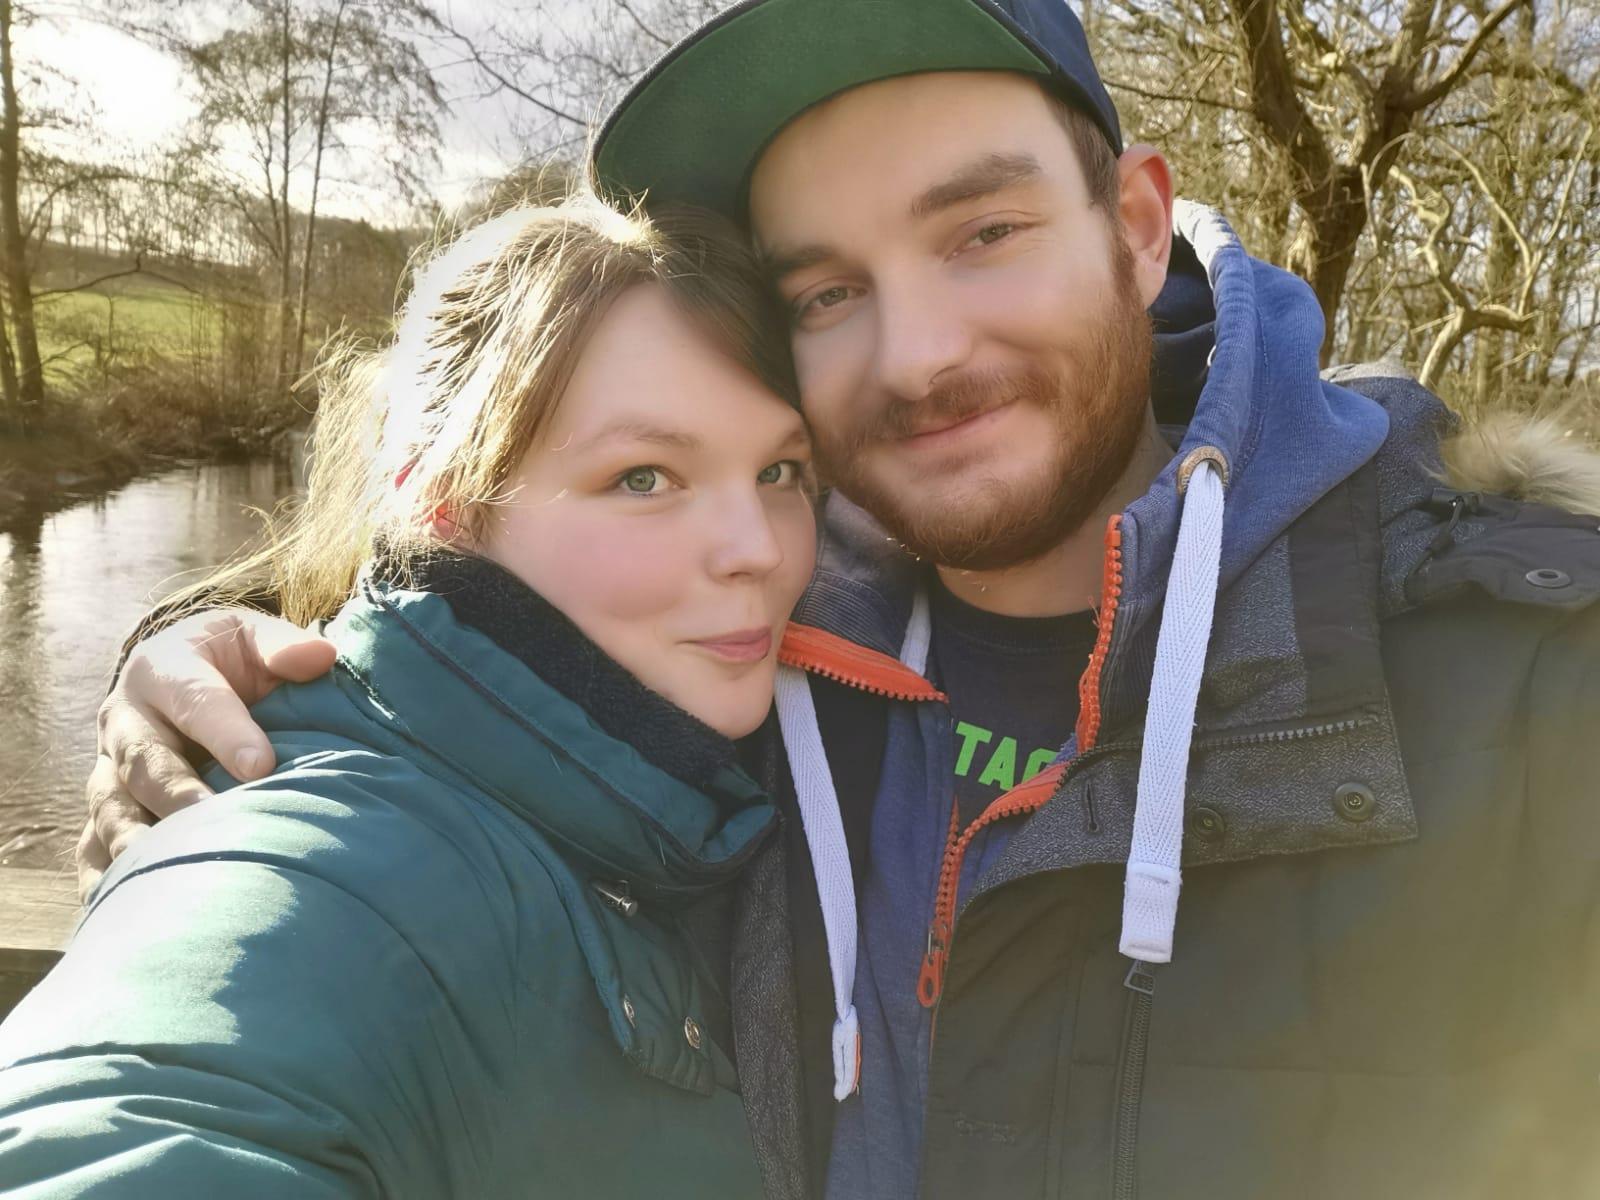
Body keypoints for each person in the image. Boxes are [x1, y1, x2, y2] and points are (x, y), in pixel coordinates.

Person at [75, 0, 1600, 1196]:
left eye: (983, 233)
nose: (918, 353)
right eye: (825, 291)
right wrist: (199, 674)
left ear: (1140, 226)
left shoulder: (1530, 677)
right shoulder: (754, 651)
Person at [0, 193, 820, 1196]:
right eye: (644, 478)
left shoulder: (678, 762)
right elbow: (134, 1117)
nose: (758, 548)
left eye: (781, 470)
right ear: (442, 501)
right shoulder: (320, 861)